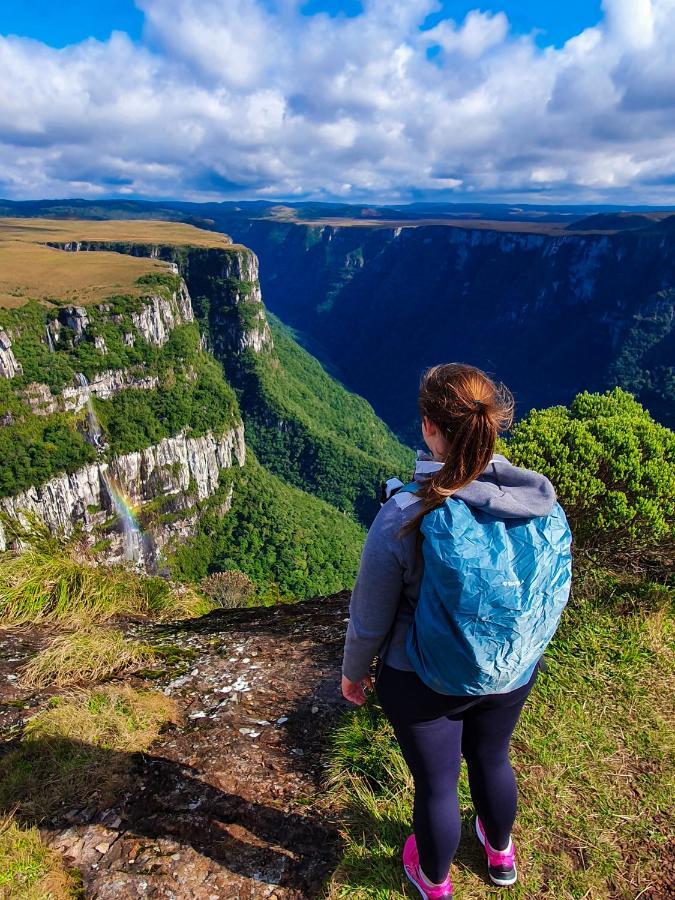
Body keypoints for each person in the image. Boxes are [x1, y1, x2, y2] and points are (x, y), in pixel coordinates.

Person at [341, 363, 572, 897]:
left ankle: (435, 881)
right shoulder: (534, 502)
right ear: (491, 425)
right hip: (510, 669)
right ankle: (500, 854)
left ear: (429, 427)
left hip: (423, 680)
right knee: (493, 757)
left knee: (437, 786)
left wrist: (353, 675)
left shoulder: (405, 513)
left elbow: (370, 617)